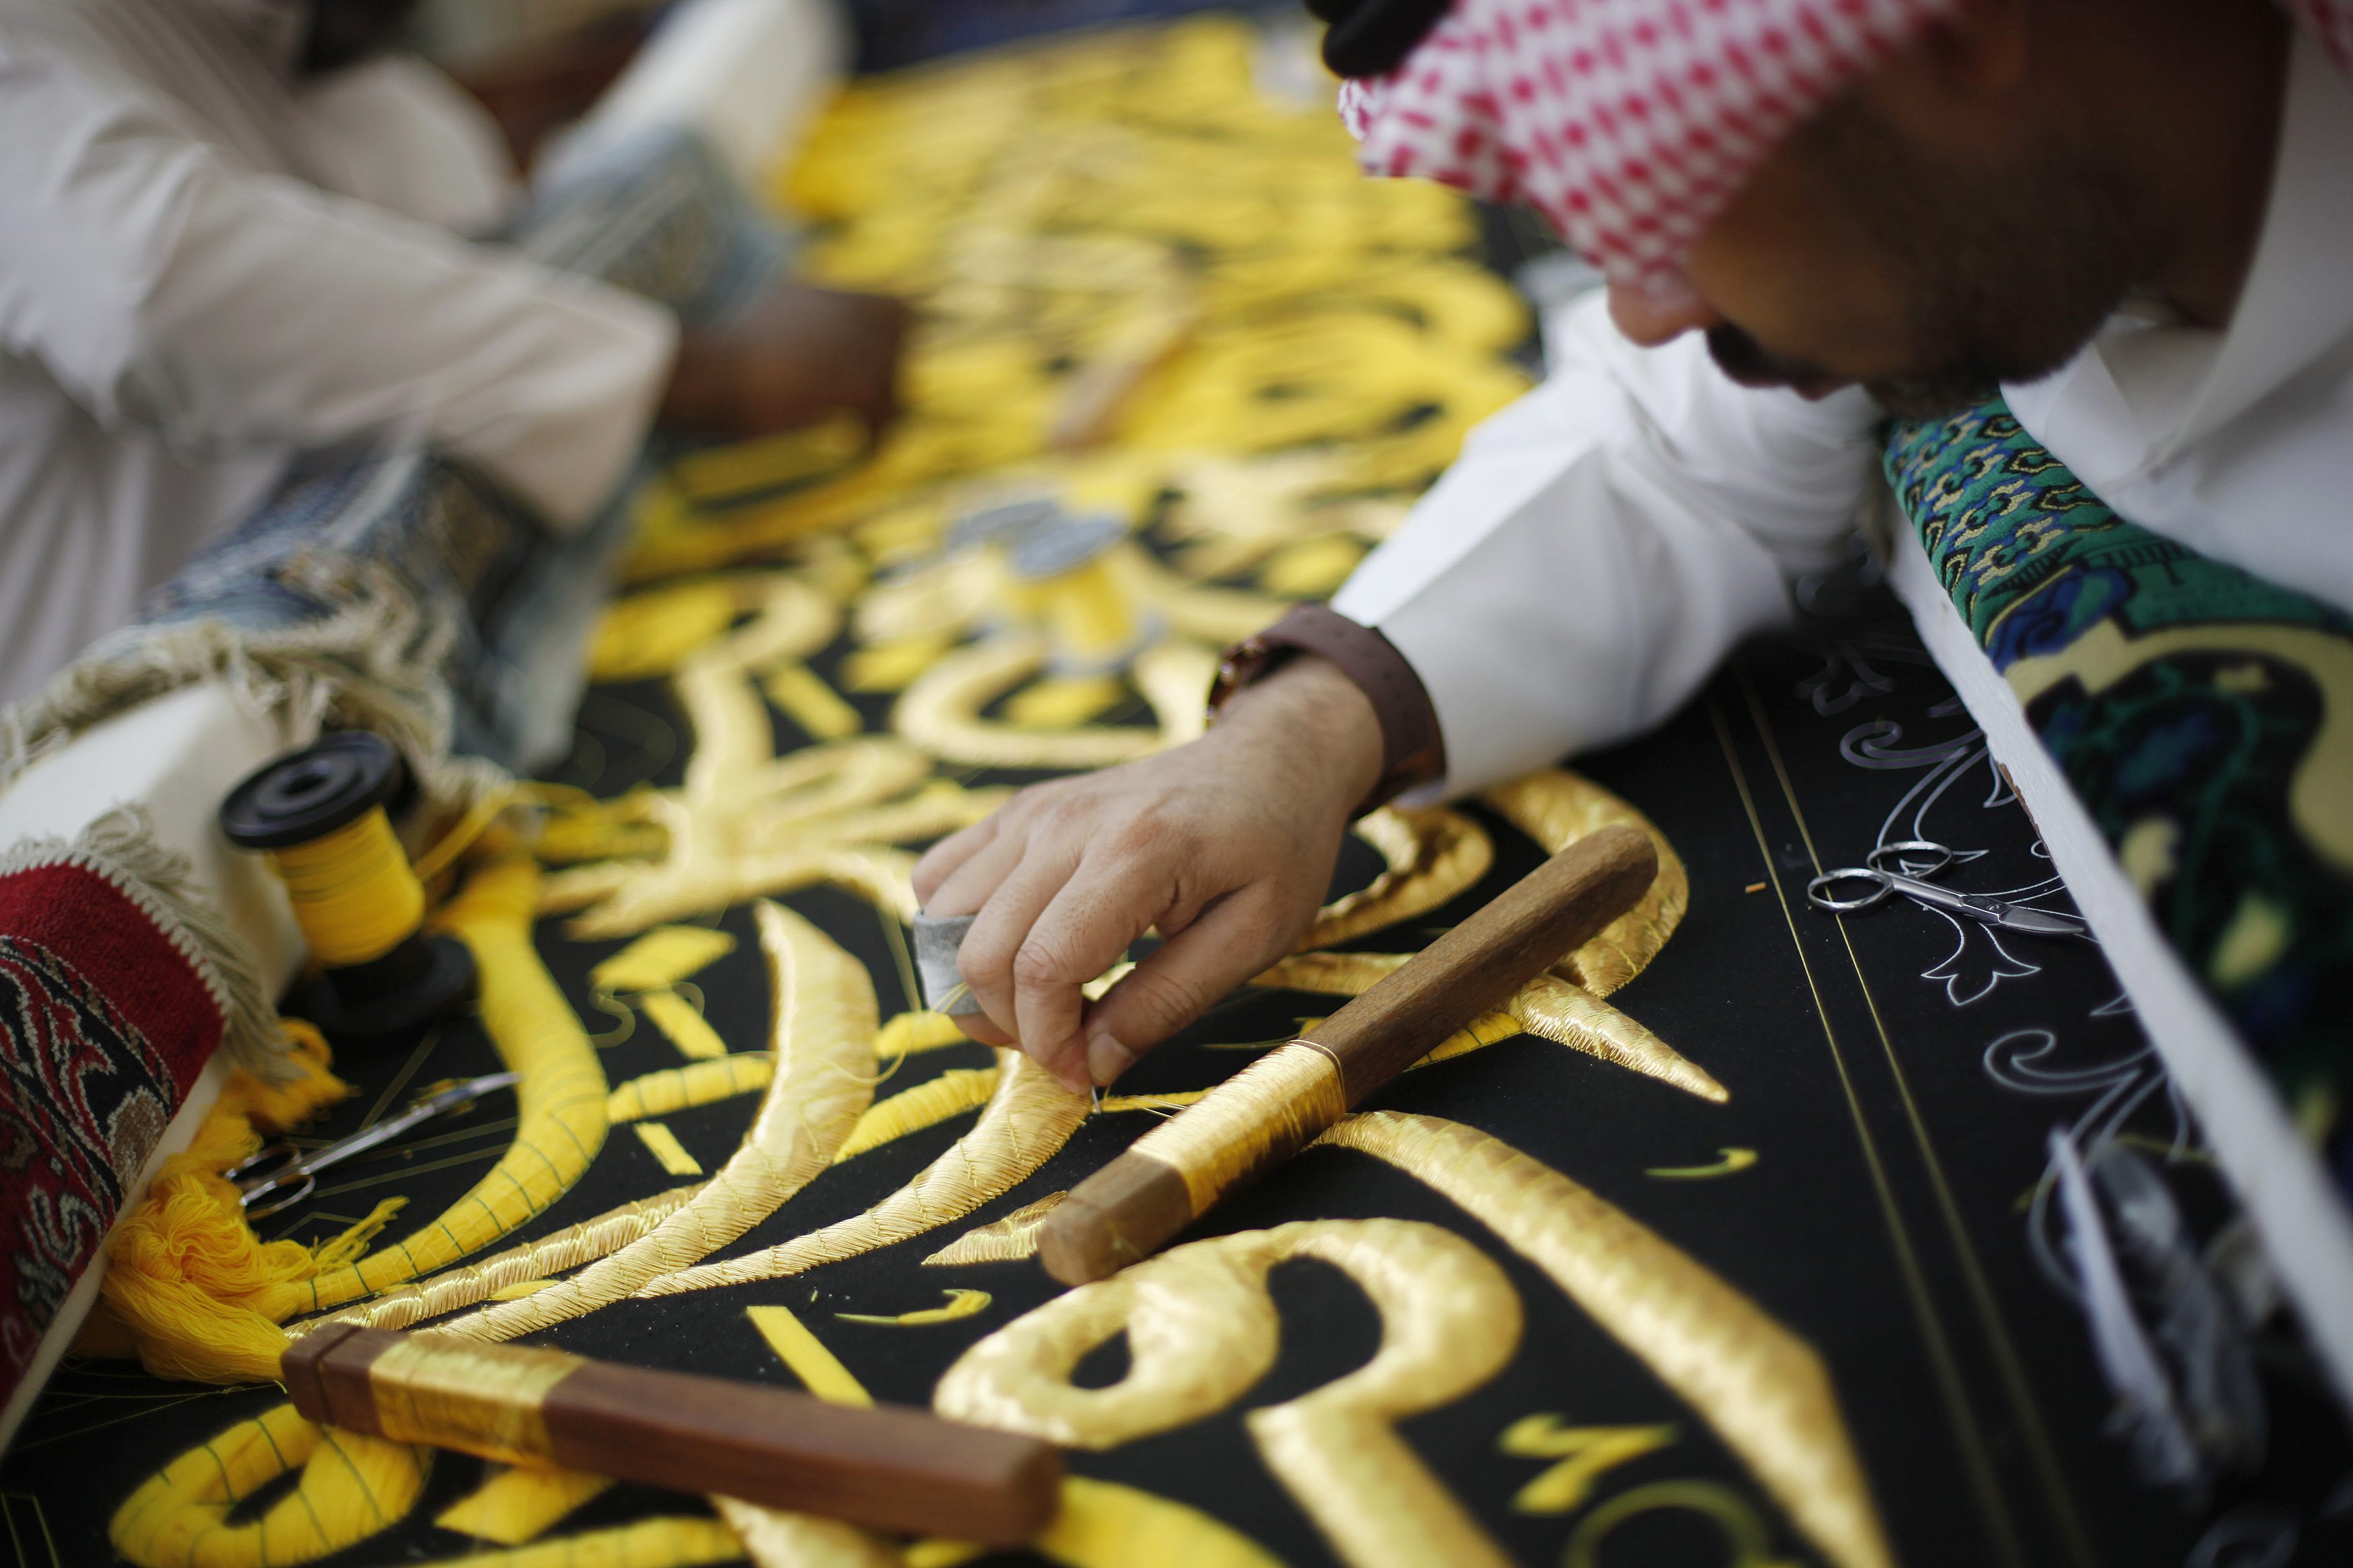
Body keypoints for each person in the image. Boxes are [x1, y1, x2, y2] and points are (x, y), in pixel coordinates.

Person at [914, 0, 2353, 1092]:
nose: (1644, 310)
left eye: (1652, 196)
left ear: (1963, 31)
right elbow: (1665, 443)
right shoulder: (1924, 174)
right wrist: (1287, 743)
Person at [0, 0, 908, 705]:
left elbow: (455, 260)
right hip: (109, 783)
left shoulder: (359, 84)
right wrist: (709, 371)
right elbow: (162, 294)